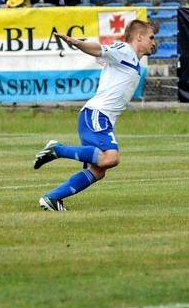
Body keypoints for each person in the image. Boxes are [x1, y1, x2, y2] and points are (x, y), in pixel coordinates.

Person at [33, 19, 157, 211]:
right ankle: (57, 150)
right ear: (139, 36)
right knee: (111, 158)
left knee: (98, 171)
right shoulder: (125, 50)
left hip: (100, 118)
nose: (154, 42)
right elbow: (100, 49)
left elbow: (107, 59)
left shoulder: (130, 59)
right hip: (97, 115)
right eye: (151, 37)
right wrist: (77, 43)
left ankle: (52, 198)